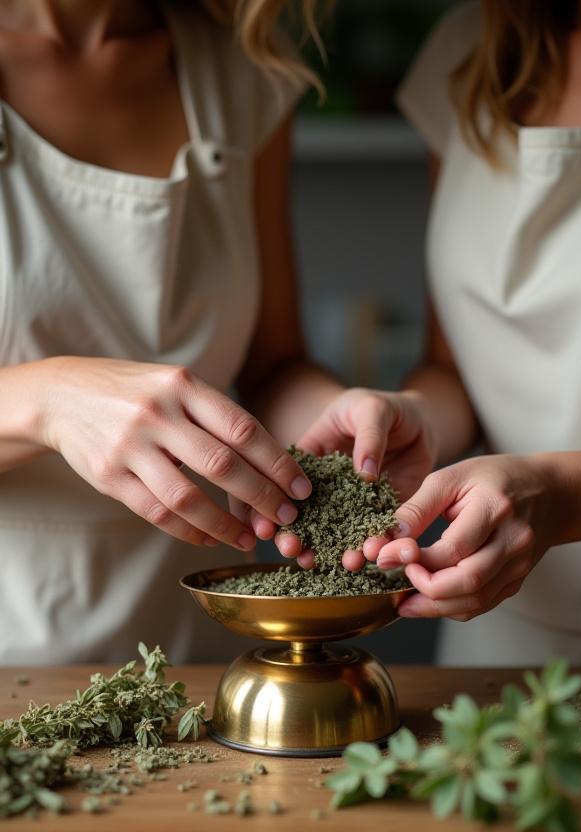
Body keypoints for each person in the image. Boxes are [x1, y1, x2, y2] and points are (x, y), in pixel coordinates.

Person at [0, 0, 434, 665]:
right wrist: (46, 399)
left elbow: (272, 369)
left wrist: (334, 422)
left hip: (183, 658)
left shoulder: (241, 71)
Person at [288, 0, 581, 665]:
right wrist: (413, 418)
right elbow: (457, 365)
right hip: (499, 635)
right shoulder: (473, 49)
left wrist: (560, 496)